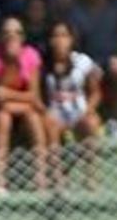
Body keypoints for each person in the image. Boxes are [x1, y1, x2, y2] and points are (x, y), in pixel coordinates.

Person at [0, 16, 47, 193]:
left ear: (23, 36)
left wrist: (8, 94)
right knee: (3, 118)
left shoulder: (31, 54)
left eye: (17, 32)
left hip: (22, 113)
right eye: (7, 32)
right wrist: (10, 61)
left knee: (33, 118)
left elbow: (34, 96)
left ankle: (41, 177)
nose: (12, 36)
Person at [67, 0, 117, 133]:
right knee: (83, 73)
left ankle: (115, 121)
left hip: (113, 56)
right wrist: (86, 63)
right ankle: (85, 122)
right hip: (88, 58)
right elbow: (74, 44)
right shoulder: (76, 9)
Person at [40, 19, 102, 189]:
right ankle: (57, 176)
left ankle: (91, 176)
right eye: (55, 36)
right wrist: (46, 111)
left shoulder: (82, 61)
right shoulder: (43, 64)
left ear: (71, 39)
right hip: (55, 114)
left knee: (91, 122)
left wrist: (88, 111)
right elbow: (38, 94)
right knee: (49, 123)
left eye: (64, 35)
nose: (60, 40)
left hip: (79, 111)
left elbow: (96, 92)